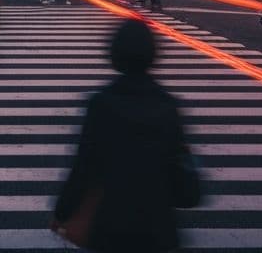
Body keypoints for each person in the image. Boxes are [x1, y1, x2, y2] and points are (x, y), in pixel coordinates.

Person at [52, 19, 200, 252]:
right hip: (158, 228)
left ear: (114, 54)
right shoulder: (167, 106)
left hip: (110, 227)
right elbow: (181, 171)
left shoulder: (101, 104)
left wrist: (63, 211)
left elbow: (84, 167)